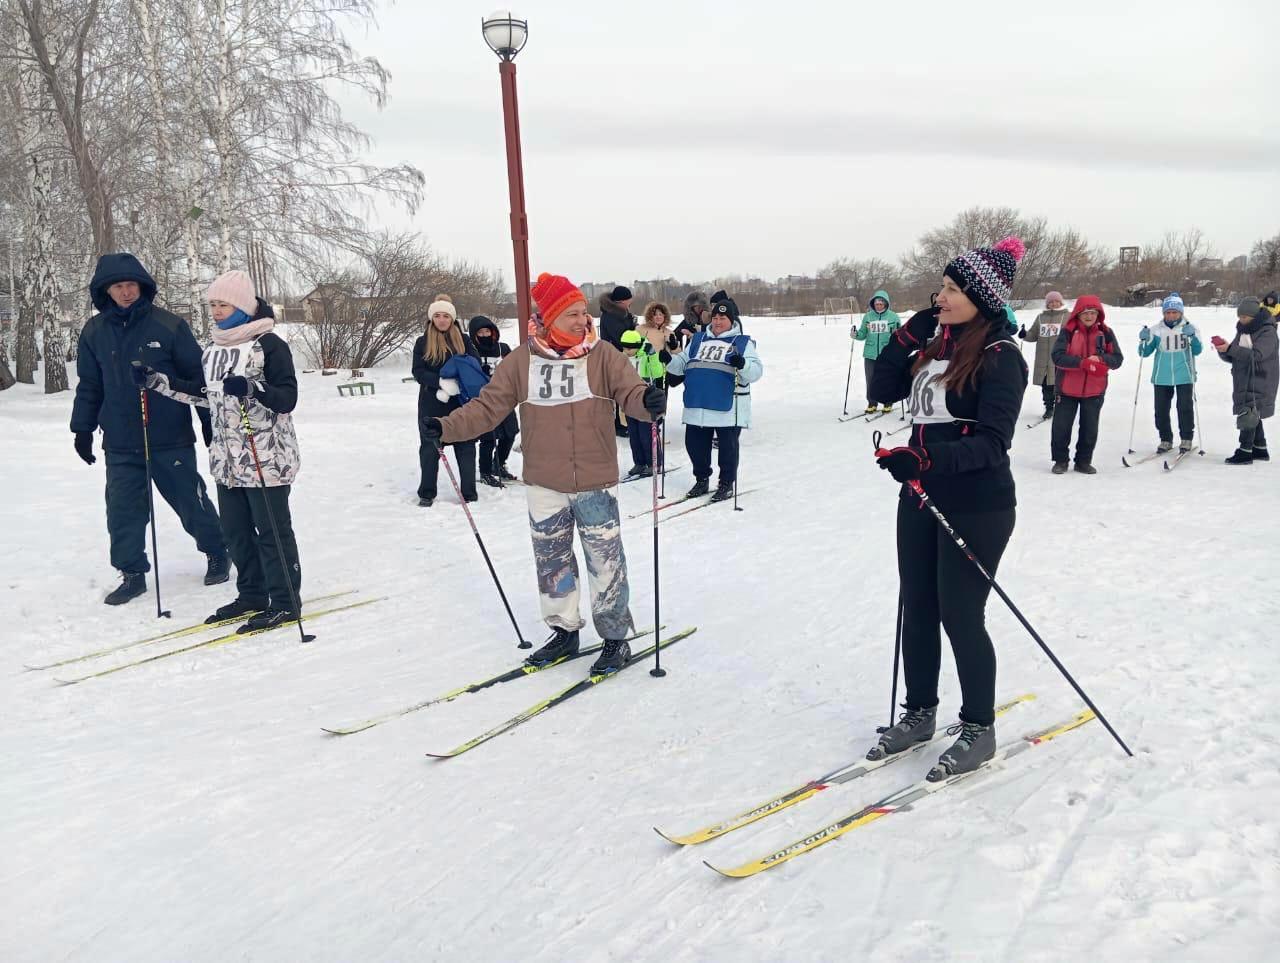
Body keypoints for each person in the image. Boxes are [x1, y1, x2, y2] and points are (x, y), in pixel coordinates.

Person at [423, 272, 666, 675]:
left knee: (605, 562)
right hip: (543, 481)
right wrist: (445, 427)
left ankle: (614, 638)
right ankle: (564, 632)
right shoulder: (522, 361)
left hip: (594, 479)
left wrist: (648, 400)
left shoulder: (602, 355)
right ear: (548, 318)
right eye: (570, 314)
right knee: (552, 564)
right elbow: (487, 408)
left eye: (582, 313)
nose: (580, 321)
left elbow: (632, 393)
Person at [866, 236, 1029, 777]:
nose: (940, 296)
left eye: (952, 288)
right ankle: (918, 713)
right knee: (917, 605)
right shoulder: (935, 347)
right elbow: (883, 386)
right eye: (941, 286)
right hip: (920, 495)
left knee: (960, 613)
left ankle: (979, 727)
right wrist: (906, 335)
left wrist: (925, 459)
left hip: (977, 502)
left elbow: (992, 443)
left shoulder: (1001, 356)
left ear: (980, 298)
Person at [135, 271, 303, 630]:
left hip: (266, 458)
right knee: (236, 532)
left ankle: (286, 601)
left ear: (242, 306)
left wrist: (253, 388)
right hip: (227, 460)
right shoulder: (213, 348)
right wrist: (157, 382)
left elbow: (287, 398)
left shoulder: (268, 344)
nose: (215, 311)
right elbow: (204, 394)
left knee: (272, 532)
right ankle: (252, 594)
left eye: (222, 304)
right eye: (212, 304)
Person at [70, 252, 228, 606]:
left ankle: (218, 551)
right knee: (123, 508)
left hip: (170, 436)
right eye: (118, 287)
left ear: (142, 287)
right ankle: (132, 573)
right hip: (121, 441)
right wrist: (82, 429)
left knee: (190, 500)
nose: (126, 292)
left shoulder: (169, 325)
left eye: (132, 285)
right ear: (105, 291)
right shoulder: (94, 332)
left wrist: (208, 423)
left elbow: (197, 380)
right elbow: (89, 386)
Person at [665, 295, 764, 502]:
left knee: (727, 450)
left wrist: (742, 363)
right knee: (695, 447)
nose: (718, 322)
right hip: (697, 404)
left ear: (731, 321)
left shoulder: (742, 343)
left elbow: (755, 372)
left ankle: (726, 483)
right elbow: (681, 365)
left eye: (723, 318)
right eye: (715, 318)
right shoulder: (698, 340)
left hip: (726, 407)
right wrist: (668, 360)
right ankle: (702, 479)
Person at [412, 297, 479, 506]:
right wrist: (439, 381)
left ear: (453, 318)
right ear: (432, 319)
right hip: (432, 403)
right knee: (430, 450)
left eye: (446, 316)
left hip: (460, 403)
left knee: (466, 448)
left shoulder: (464, 340)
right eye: (438, 316)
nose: (442, 320)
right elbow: (418, 371)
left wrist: (460, 380)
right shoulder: (423, 342)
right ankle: (427, 492)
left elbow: (474, 365)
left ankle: (469, 493)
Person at [1049, 296, 1123, 474]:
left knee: (1089, 428)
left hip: (1095, 390)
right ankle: (1060, 460)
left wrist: (1101, 358)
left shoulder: (1106, 333)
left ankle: (1083, 461)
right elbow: (1057, 356)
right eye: (1085, 313)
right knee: (1061, 427)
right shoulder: (1067, 332)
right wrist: (1081, 363)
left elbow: (1117, 359)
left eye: (1093, 313)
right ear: (1078, 314)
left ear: (1098, 314)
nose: (1089, 316)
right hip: (1067, 389)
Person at [1216, 297, 1278, 464]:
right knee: (1252, 411)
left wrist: (1231, 349)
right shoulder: (1244, 330)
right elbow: (1236, 356)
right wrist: (1224, 350)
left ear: (1254, 316)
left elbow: (1257, 356)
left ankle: (1244, 452)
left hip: (1261, 378)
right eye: (1239, 317)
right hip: (1243, 378)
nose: (1241, 320)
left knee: (1248, 412)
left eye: (1244, 317)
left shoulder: (1268, 331)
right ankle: (1260, 449)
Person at [1137, 293, 1202, 454]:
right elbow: (1144, 353)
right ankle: (1165, 439)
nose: (1171, 315)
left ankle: (1186, 438)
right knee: (1161, 410)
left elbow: (1197, 350)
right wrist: (1144, 340)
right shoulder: (1156, 330)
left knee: (1184, 407)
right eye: (1168, 312)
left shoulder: (1190, 328)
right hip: (1162, 376)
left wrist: (1192, 337)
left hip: (1184, 375)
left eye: (1175, 312)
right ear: (1163, 313)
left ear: (1181, 312)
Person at [468, 316, 519, 487]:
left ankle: (498, 464)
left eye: (487, 331)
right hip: (483, 399)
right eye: (480, 332)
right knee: (488, 437)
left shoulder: (502, 348)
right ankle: (485, 471)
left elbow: (515, 368)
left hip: (504, 397)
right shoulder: (471, 350)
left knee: (510, 432)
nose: (484, 335)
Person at [620, 329, 668, 478]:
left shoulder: (646, 355)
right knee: (634, 434)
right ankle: (639, 462)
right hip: (629, 400)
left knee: (646, 433)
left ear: (637, 345)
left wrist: (653, 356)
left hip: (646, 400)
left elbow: (658, 372)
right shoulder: (622, 357)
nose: (627, 351)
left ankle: (654, 462)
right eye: (624, 348)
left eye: (630, 348)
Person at [1017, 291, 1068, 418]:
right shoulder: (1041, 317)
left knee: (1060, 384)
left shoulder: (1067, 316)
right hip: (1043, 358)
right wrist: (1024, 334)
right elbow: (1033, 335)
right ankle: (1049, 407)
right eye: (1051, 302)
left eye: (1056, 301)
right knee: (1046, 385)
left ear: (1061, 302)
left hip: (1060, 358)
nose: (1054, 304)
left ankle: (1061, 408)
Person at [852, 290, 901, 414]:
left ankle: (887, 402)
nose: (878, 306)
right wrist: (856, 334)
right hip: (870, 353)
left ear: (886, 304)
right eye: (876, 304)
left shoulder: (893, 316)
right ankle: (872, 403)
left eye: (881, 303)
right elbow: (862, 334)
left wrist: (897, 335)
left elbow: (900, 333)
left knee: (887, 378)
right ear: (873, 304)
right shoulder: (868, 317)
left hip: (887, 353)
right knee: (871, 379)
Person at [597, 285, 636, 350]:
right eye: (629, 302)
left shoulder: (622, 313)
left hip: (624, 353)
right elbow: (623, 339)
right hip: (614, 355)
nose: (630, 303)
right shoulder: (609, 317)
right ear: (621, 301)